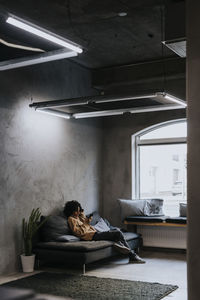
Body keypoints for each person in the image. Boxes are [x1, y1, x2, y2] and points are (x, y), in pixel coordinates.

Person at [63, 200, 145, 264]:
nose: (78, 212)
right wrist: (86, 223)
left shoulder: (78, 217)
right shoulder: (71, 219)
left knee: (116, 233)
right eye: (76, 211)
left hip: (94, 233)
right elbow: (79, 232)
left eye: (78, 210)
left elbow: (84, 222)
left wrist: (82, 213)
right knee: (117, 233)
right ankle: (132, 255)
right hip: (91, 236)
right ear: (71, 211)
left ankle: (121, 246)